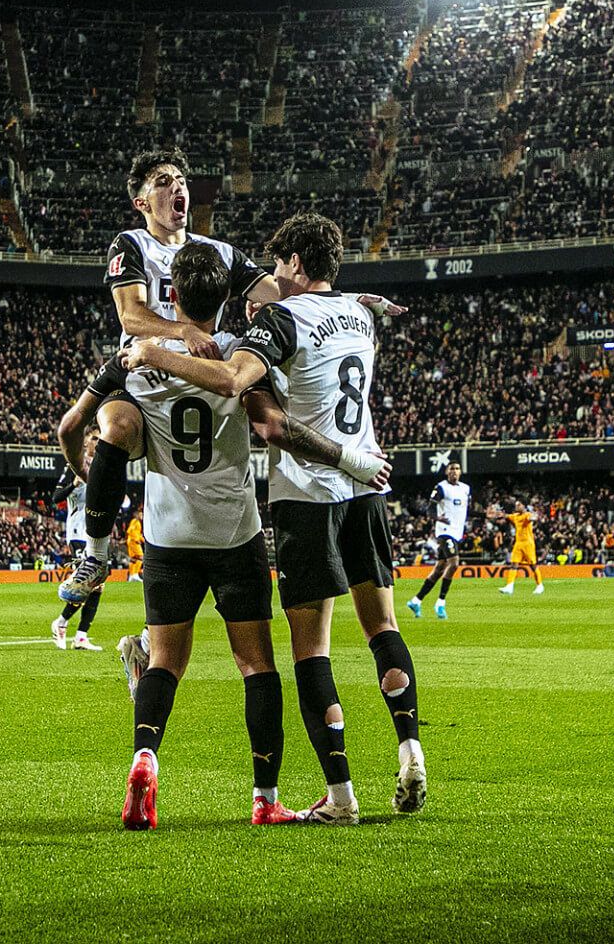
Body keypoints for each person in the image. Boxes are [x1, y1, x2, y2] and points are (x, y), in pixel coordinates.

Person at [61, 242, 387, 828]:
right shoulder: (240, 353)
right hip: (236, 534)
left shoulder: (138, 357)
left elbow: (77, 424)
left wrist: (94, 463)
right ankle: (265, 800)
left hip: (166, 537)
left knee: (164, 663)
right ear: (229, 298)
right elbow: (269, 418)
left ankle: (144, 758)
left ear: (174, 296)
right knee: (257, 667)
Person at [124, 212, 426, 824]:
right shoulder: (364, 316)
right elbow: (336, 321)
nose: (270, 280)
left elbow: (244, 390)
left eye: (278, 267)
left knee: (310, 651)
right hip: (366, 488)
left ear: (295, 264)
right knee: (382, 627)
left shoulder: (282, 322)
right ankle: (410, 748)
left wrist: (153, 351)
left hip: (306, 497)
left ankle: (341, 795)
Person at [63, 148, 400, 604]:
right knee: (118, 427)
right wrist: (181, 329)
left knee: (229, 453)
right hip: (142, 368)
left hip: (206, 369)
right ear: (142, 203)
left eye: (180, 178)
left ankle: (161, 625)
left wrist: (348, 297)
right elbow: (131, 316)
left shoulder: (219, 252)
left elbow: (285, 293)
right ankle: (97, 554)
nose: (177, 186)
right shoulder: (131, 244)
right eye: (162, 181)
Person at [47, 448, 104, 651]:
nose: (98, 444)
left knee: (97, 585)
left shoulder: (102, 467)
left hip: (95, 534)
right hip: (79, 533)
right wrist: (74, 484)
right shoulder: (74, 467)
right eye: (94, 439)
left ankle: (81, 636)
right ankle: (61, 623)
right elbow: (56, 497)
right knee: (86, 583)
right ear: (86, 443)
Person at [409, 462, 471, 619]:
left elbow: (466, 511)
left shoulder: (465, 489)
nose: (454, 472)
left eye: (457, 469)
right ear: (446, 472)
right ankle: (440, 603)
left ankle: (416, 600)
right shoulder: (441, 487)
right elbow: (430, 507)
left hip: (457, 532)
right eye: (451, 469)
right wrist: (437, 518)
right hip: (444, 532)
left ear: (461, 472)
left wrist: (486, 515)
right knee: (454, 563)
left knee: (439, 569)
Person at [496, 501, 543, 596]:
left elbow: (532, 518)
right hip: (518, 543)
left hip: (528, 544)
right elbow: (507, 516)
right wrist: (502, 514)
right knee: (514, 564)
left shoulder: (527, 515)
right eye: (516, 505)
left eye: (519, 505)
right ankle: (509, 586)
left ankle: (540, 585)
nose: (517, 506)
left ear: (524, 506)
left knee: (532, 565)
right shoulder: (515, 516)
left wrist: (535, 517)